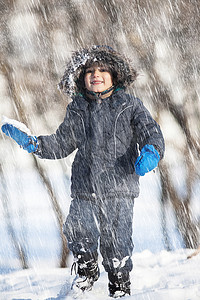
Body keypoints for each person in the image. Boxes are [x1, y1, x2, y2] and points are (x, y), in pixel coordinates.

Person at [1, 45, 165, 298]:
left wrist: (152, 150)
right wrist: (33, 143)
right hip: (84, 185)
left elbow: (150, 131)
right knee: (79, 231)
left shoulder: (129, 104)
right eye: (89, 71)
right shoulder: (78, 108)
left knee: (116, 240)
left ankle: (119, 283)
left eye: (102, 70)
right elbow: (62, 143)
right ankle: (86, 272)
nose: (95, 74)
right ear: (81, 78)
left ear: (115, 75)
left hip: (119, 184)